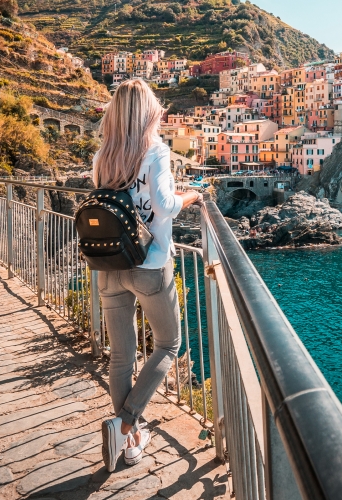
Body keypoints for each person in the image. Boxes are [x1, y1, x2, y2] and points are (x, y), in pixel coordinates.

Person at [92, 79, 202, 470]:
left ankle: (130, 441)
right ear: (147, 112)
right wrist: (193, 195)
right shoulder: (155, 151)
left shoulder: (103, 156)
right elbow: (166, 206)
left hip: (109, 264)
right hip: (150, 264)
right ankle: (124, 423)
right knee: (169, 344)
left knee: (122, 356)